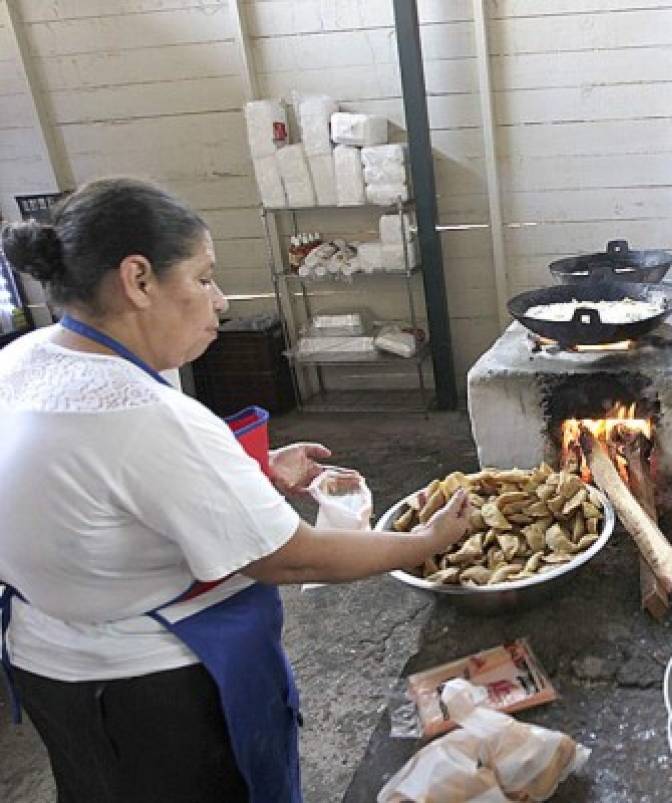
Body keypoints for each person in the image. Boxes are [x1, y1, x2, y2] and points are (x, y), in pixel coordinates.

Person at [0, 177, 471, 803]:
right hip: (154, 692)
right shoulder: (147, 413)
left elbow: (101, 490)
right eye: (202, 278)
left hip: (51, 672)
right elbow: (291, 556)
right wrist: (424, 543)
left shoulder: (26, 358)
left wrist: (252, 471)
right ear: (138, 280)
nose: (219, 300)